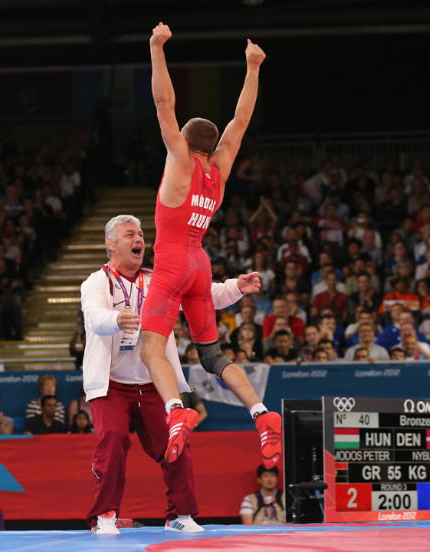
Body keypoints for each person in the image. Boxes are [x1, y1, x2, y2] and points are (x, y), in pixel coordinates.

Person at [137, 24, 281, 470]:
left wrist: (156, 49)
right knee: (213, 355)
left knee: (150, 348)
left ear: (183, 139)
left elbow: (164, 103)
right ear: (211, 146)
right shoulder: (218, 169)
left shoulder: (180, 161)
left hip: (173, 261)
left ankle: (176, 412)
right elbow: (240, 121)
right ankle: (261, 414)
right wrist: (253, 68)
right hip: (201, 262)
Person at [81, 214, 263, 534]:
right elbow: (94, 316)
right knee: (112, 443)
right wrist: (115, 319)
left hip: (154, 383)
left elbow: (203, 294)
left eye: (140, 233)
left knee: (176, 444)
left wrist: (237, 287)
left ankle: (180, 515)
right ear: (111, 244)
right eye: (129, 234)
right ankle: (105, 516)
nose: (139, 239)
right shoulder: (96, 281)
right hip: (112, 385)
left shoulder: (158, 277)